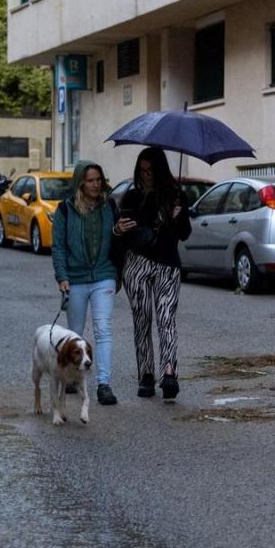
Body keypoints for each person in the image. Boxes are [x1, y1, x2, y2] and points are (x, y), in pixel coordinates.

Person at [115, 146, 193, 400]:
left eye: (151, 170)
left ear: (160, 170)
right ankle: (146, 374)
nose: (146, 175)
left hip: (168, 264)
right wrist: (121, 227)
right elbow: (124, 234)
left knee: (166, 317)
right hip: (137, 262)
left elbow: (184, 234)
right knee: (142, 319)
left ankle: (169, 373)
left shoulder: (177, 196)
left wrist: (178, 217)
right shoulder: (131, 197)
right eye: (142, 170)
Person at [50, 160, 120, 406]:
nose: (95, 184)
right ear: (80, 182)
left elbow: (118, 238)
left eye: (98, 180)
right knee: (75, 333)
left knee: (103, 328)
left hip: (104, 274)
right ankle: (73, 377)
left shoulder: (109, 206)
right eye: (90, 180)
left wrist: (120, 231)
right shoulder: (65, 210)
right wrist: (62, 276)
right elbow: (58, 246)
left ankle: (104, 384)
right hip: (75, 278)